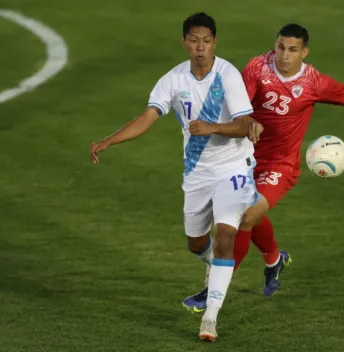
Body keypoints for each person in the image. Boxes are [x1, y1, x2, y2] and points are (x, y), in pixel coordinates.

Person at [182, 23, 344, 312]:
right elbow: (238, 102)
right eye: (280, 46)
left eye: (292, 50)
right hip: (241, 157)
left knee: (245, 216)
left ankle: (213, 292)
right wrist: (248, 120)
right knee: (243, 213)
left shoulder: (314, 83)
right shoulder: (258, 67)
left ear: (304, 52)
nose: (284, 55)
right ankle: (274, 259)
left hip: (280, 165)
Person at [90, 12, 262, 342]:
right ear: (184, 42)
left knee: (226, 235)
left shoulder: (227, 75)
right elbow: (147, 117)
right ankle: (212, 264)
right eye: (194, 40)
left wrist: (212, 127)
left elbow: (244, 124)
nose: (200, 48)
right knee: (196, 242)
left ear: (215, 42)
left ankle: (210, 318)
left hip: (233, 168)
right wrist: (109, 139)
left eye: (207, 41)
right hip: (197, 173)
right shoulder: (173, 80)